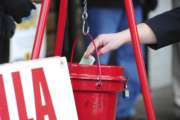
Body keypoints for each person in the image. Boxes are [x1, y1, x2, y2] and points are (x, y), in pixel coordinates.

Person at [84, 7, 180, 119]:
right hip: (104, 4)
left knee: (131, 64)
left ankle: (124, 113)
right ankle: (94, 114)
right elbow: (175, 21)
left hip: (134, 5)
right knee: (98, 61)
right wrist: (123, 37)